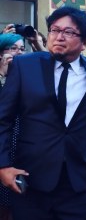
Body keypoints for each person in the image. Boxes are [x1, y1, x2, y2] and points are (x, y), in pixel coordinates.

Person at [0, 6, 86, 220]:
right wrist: (3, 166)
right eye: (54, 30)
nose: (58, 37)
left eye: (69, 32)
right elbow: (3, 119)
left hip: (77, 183)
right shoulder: (24, 66)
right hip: (31, 180)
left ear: (85, 42)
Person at [0, 33, 25, 220]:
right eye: (13, 48)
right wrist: (3, 73)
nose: (18, 53)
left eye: (22, 49)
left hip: (17, 149)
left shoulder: (26, 77)